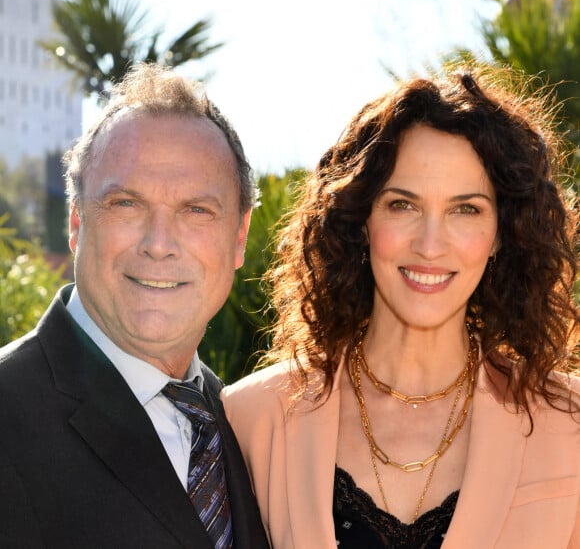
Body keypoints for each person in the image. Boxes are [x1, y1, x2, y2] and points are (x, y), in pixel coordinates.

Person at [221, 64, 580, 548]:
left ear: (501, 233)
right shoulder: (253, 418)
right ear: (362, 219)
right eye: (402, 205)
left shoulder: (570, 427)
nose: (430, 245)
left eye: (466, 209)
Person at [0, 62, 269, 549]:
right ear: (77, 223)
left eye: (196, 210)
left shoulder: (250, 425)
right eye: (126, 203)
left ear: (239, 238)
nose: (159, 243)